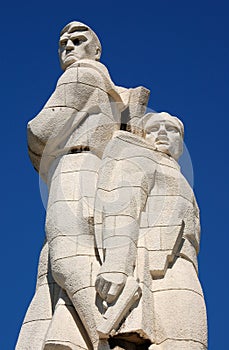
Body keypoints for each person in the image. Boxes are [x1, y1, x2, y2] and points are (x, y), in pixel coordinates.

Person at [16, 21, 148, 350]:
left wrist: (35, 144)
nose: (69, 47)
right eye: (63, 43)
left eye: (78, 40)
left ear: (96, 50)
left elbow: (43, 130)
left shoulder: (81, 74)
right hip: (89, 168)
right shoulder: (108, 91)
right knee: (53, 265)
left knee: (64, 257)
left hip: (75, 165)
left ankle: (114, 325)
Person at [94, 112, 207, 349]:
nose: (163, 133)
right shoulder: (140, 159)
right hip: (156, 268)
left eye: (172, 129)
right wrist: (116, 265)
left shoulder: (178, 175)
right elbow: (123, 207)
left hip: (182, 263)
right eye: (155, 128)